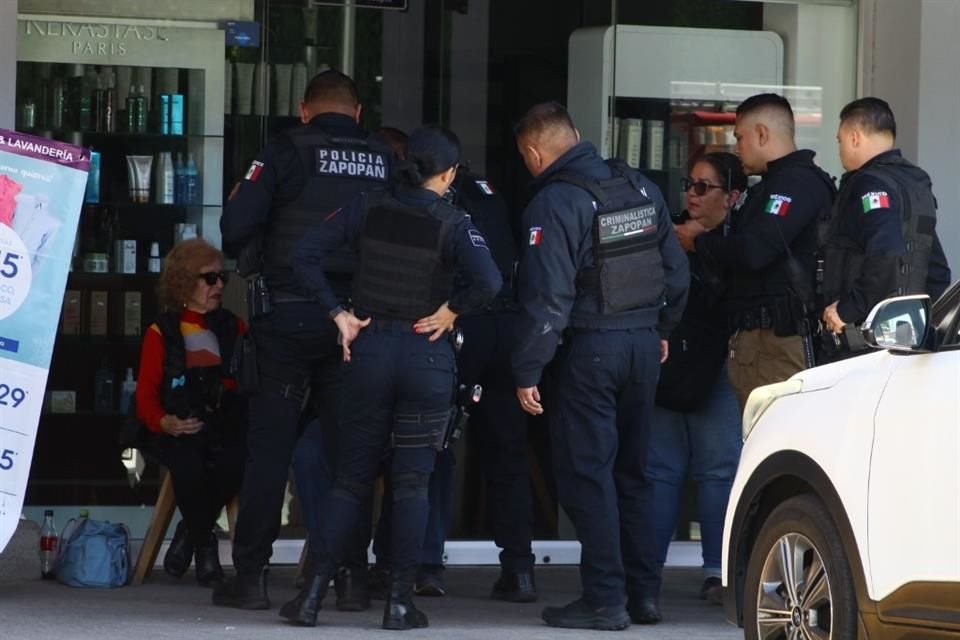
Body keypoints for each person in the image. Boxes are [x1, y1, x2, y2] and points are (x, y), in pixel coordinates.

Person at [281, 126, 501, 629]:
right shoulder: (453, 220)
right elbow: (490, 280)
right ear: (445, 175)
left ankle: (311, 598)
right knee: (411, 485)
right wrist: (451, 310)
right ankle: (400, 603)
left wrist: (338, 313)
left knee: (350, 481)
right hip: (425, 356)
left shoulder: (365, 206)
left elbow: (303, 256)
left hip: (370, 349)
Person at [215, 70, 393, 609]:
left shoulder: (284, 150)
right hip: (358, 327)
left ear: (304, 109)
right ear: (358, 112)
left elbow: (233, 229)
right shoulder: (385, 158)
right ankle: (351, 579)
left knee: (270, 449)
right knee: (351, 455)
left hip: (288, 319)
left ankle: (250, 579)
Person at [512, 102, 688, 631]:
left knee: (590, 477)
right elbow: (676, 275)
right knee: (634, 474)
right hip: (640, 347)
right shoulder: (638, 187)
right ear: (579, 135)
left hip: (590, 351)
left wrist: (528, 369)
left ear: (534, 154)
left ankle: (605, 601)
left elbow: (548, 299)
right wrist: (659, 332)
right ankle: (644, 595)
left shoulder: (556, 201)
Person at [675, 93, 835, 411]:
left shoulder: (796, 183)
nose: (737, 148)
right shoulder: (770, 185)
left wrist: (701, 242)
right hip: (760, 341)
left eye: (740, 137)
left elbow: (755, 250)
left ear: (762, 134)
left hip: (780, 342)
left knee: (781, 441)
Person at [647, 152, 746, 606]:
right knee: (660, 473)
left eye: (705, 187)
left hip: (719, 369)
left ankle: (718, 572)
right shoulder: (662, 232)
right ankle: (646, 571)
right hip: (667, 366)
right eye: (690, 183)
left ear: (734, 196)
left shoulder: (742, 242)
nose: (692, 192)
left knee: (717, 474)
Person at [134, 238, 247, 587]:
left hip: (223, 424)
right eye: (208, 278)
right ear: (184, 282)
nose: (218, 286)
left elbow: (244, 381)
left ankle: (190, 531)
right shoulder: (161, 332)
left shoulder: (234, 326)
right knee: (188, 464)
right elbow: (145, 395)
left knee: (236, 462)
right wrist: (165, 422)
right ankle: (206, 546)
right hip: (176, 425)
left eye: (221, 278)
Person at [819, 97, 952, 357]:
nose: (840, 149)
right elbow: (937, 270)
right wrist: (918, 324)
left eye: (840, 140)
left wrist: (847, 310)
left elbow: (886, 254)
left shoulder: (869, 184)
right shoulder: (916, 183)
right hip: (909, 341)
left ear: (855, 137)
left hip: (863, 342)